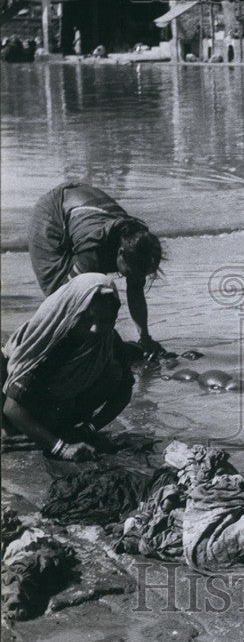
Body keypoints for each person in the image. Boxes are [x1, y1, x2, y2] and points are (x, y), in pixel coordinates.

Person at [2, 274, 134, 462]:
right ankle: (29, 434)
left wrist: (88, 429)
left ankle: (53, 432)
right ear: (72, 311)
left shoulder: (109, 341)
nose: (96, 329)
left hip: (58, 409)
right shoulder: (52, 342)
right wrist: (61, 448)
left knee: (114, 372)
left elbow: (124, 391)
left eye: (105, 321)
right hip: (19, 408)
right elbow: (12, 407)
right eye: (87, 319)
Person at [28, 182, 164, 357]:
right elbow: (66, 298)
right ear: (120, 253)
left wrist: (145, 337)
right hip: (52, 211)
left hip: (82, 206)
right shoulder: (94, 251)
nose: (133, 277)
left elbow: (135, 293)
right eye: (130, 272)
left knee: (97, 295)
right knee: (60, 290)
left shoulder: (138, 242)